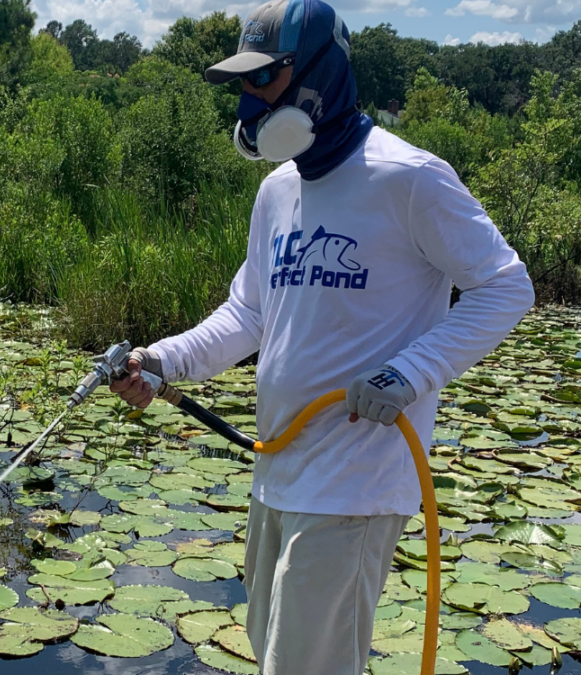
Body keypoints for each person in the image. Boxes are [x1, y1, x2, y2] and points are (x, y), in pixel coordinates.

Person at [109, 0, 535, 673]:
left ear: (318, 76)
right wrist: (158, 359)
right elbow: (246, 316)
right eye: (242, 84)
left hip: (357, 482)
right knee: (270, 650)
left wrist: (407, 374)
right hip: (279, 470)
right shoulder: (279, 191)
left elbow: (507, 285)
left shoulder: (408, 178)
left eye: (262, 80)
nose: (248, 101)